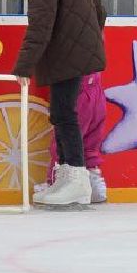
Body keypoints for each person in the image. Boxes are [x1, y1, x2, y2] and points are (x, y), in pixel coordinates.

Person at [9, 0, 107, 208]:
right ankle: (69, 176)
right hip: (76, 51)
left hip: (67, 53)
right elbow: (98, 6)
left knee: (65, 115)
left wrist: (24, 66)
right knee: (63, 113)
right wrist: (88, 39)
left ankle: (76, 179)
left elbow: (40, 24)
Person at [36, 72, 109, 204]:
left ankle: (55, 182)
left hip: (76, 87)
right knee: (90, 140)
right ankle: (94, 182)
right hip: (96, 88)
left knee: (66, 136)